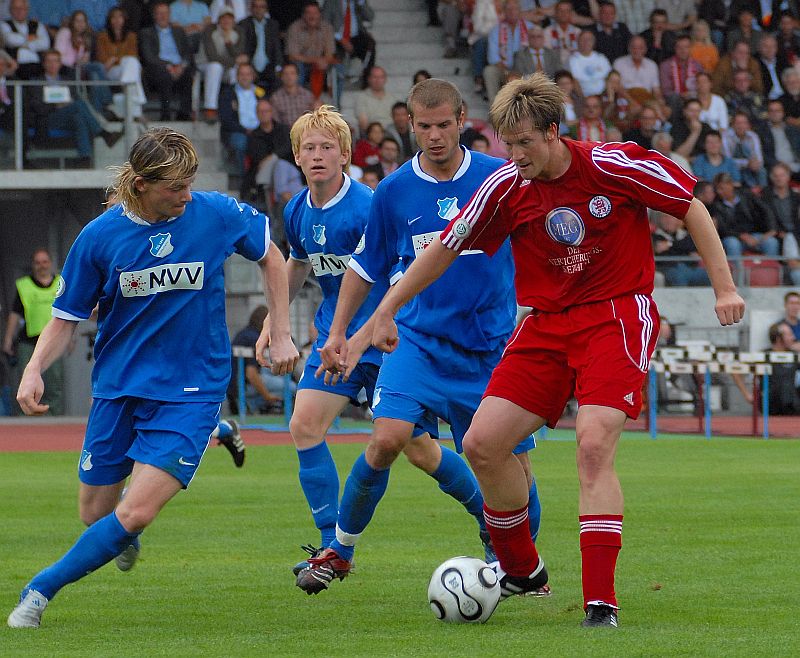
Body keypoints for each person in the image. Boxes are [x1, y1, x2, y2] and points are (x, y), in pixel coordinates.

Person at [366, 72, 745, 627]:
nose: (515, 155)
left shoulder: (614, 164)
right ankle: (522, 571)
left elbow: (690, 206)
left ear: (552, 132)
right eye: (507, 144)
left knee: (592, 444)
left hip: (616, 316)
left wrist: (725, 288)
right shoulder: (505, 186)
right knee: (482, 444)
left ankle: (600, 603)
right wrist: (387, 308)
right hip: (545, 325)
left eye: (524, 143)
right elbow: (445, 248)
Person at [6, 127, 298, 629]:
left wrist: (282, 331)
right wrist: (33, 368)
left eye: (190, 184)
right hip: (119, 386)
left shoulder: (214, 213)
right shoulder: (99, 237)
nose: (187, 195)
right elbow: (66, 317)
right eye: (175, 187)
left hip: (193, 388)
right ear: (141, 184)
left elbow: (272, 256)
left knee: (136, 512)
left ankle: (39, 590)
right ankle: (132, 520)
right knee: (95, 515)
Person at [301, 79, 543, 596]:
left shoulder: (499, 178)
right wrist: (340, 331)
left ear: (462, 120)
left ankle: (514, 564)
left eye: (443, 125)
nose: (434, 136)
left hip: (489, 348)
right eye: (424, 126)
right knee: (388, 438)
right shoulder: (393, 191)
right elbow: (365, 266)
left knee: (512, 468)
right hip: (417, 341)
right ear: (410, 124)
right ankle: (339, 550)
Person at [2, 249, 63, 415]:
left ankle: (55, 420)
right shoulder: (24, 285)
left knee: (54, 383)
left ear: (50, 263)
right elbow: (15, 314)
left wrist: (70, 339)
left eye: (44, 262)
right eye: (38, 262)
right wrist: (8, 339)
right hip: (28, 342)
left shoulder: (60, 283)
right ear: (33, 265)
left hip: (53, 342)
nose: (41, 265)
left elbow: (69, 315)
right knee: (27, 384)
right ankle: (28, 421)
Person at [139, 1, 194, 121]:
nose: (163, 16)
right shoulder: (146, 33)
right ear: (154, 16)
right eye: (159, 13)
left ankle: (184, 114)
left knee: (188, 74)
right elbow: (149, 57)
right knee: (164, 74)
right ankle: (166, 114)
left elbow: (187, 53)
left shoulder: (179, 31)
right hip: (158, 68)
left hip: (179, 67)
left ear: (169, 15)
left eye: (165, 13)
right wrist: (168, 66)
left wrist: (182, 66)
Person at [238, 0, 283, 92]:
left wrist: (278, 67)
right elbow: (242, 48)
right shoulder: (243, 24)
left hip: (269, 66)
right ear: (251, 9)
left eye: (262, 7)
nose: (259, 10)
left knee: (280, 79)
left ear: (266, 9)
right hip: (250, 64)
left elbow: (277, 48)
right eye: (256, 6)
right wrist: (249, 66)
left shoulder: (273, 24)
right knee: (247, 78)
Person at [764, 321, 800, 414]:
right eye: (789, 335)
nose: (793, 338)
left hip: (793, 407)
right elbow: (736, 367)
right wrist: (747, 394)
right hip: (770, 408)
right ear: (779, 338)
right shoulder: (764, 356)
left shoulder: (794, 356)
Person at [268, 62, 315, 128]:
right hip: (285, 133)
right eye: (286, 74)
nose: (289, 77)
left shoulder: (308, 96)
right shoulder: (275, 98)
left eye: (292, 73)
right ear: (281, 77)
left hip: (305, 132)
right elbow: (275, 122)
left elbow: (313, 118)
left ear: (297, 76)